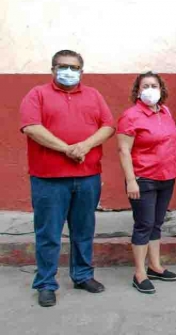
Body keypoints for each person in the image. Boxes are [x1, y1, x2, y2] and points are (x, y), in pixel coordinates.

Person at [19, 50, 115, 307]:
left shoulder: (93, 95)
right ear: (52, 69)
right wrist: (67, 149)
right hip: (49, 179)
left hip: (87, 177)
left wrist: (84, 146)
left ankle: (83, 275)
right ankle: (46, 283)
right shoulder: (37, 95)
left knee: (84, 231)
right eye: (63, 66)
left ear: (82, 71)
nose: (68, 72)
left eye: (74, 67)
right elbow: (31, 128)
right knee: (49, 233)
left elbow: (108, 126)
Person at [117, 72, 176, 294]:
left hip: (166, 177)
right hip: (143, 179)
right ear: (137, 90)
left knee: (156, 223)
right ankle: (139, 273)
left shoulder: (165, 112)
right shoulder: (130, 116)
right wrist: (131, 181)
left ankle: (155, 266)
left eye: (155, 85)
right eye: (145, 86)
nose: (150, 89)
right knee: (143, 224)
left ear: (161, 89)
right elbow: (124, 150)